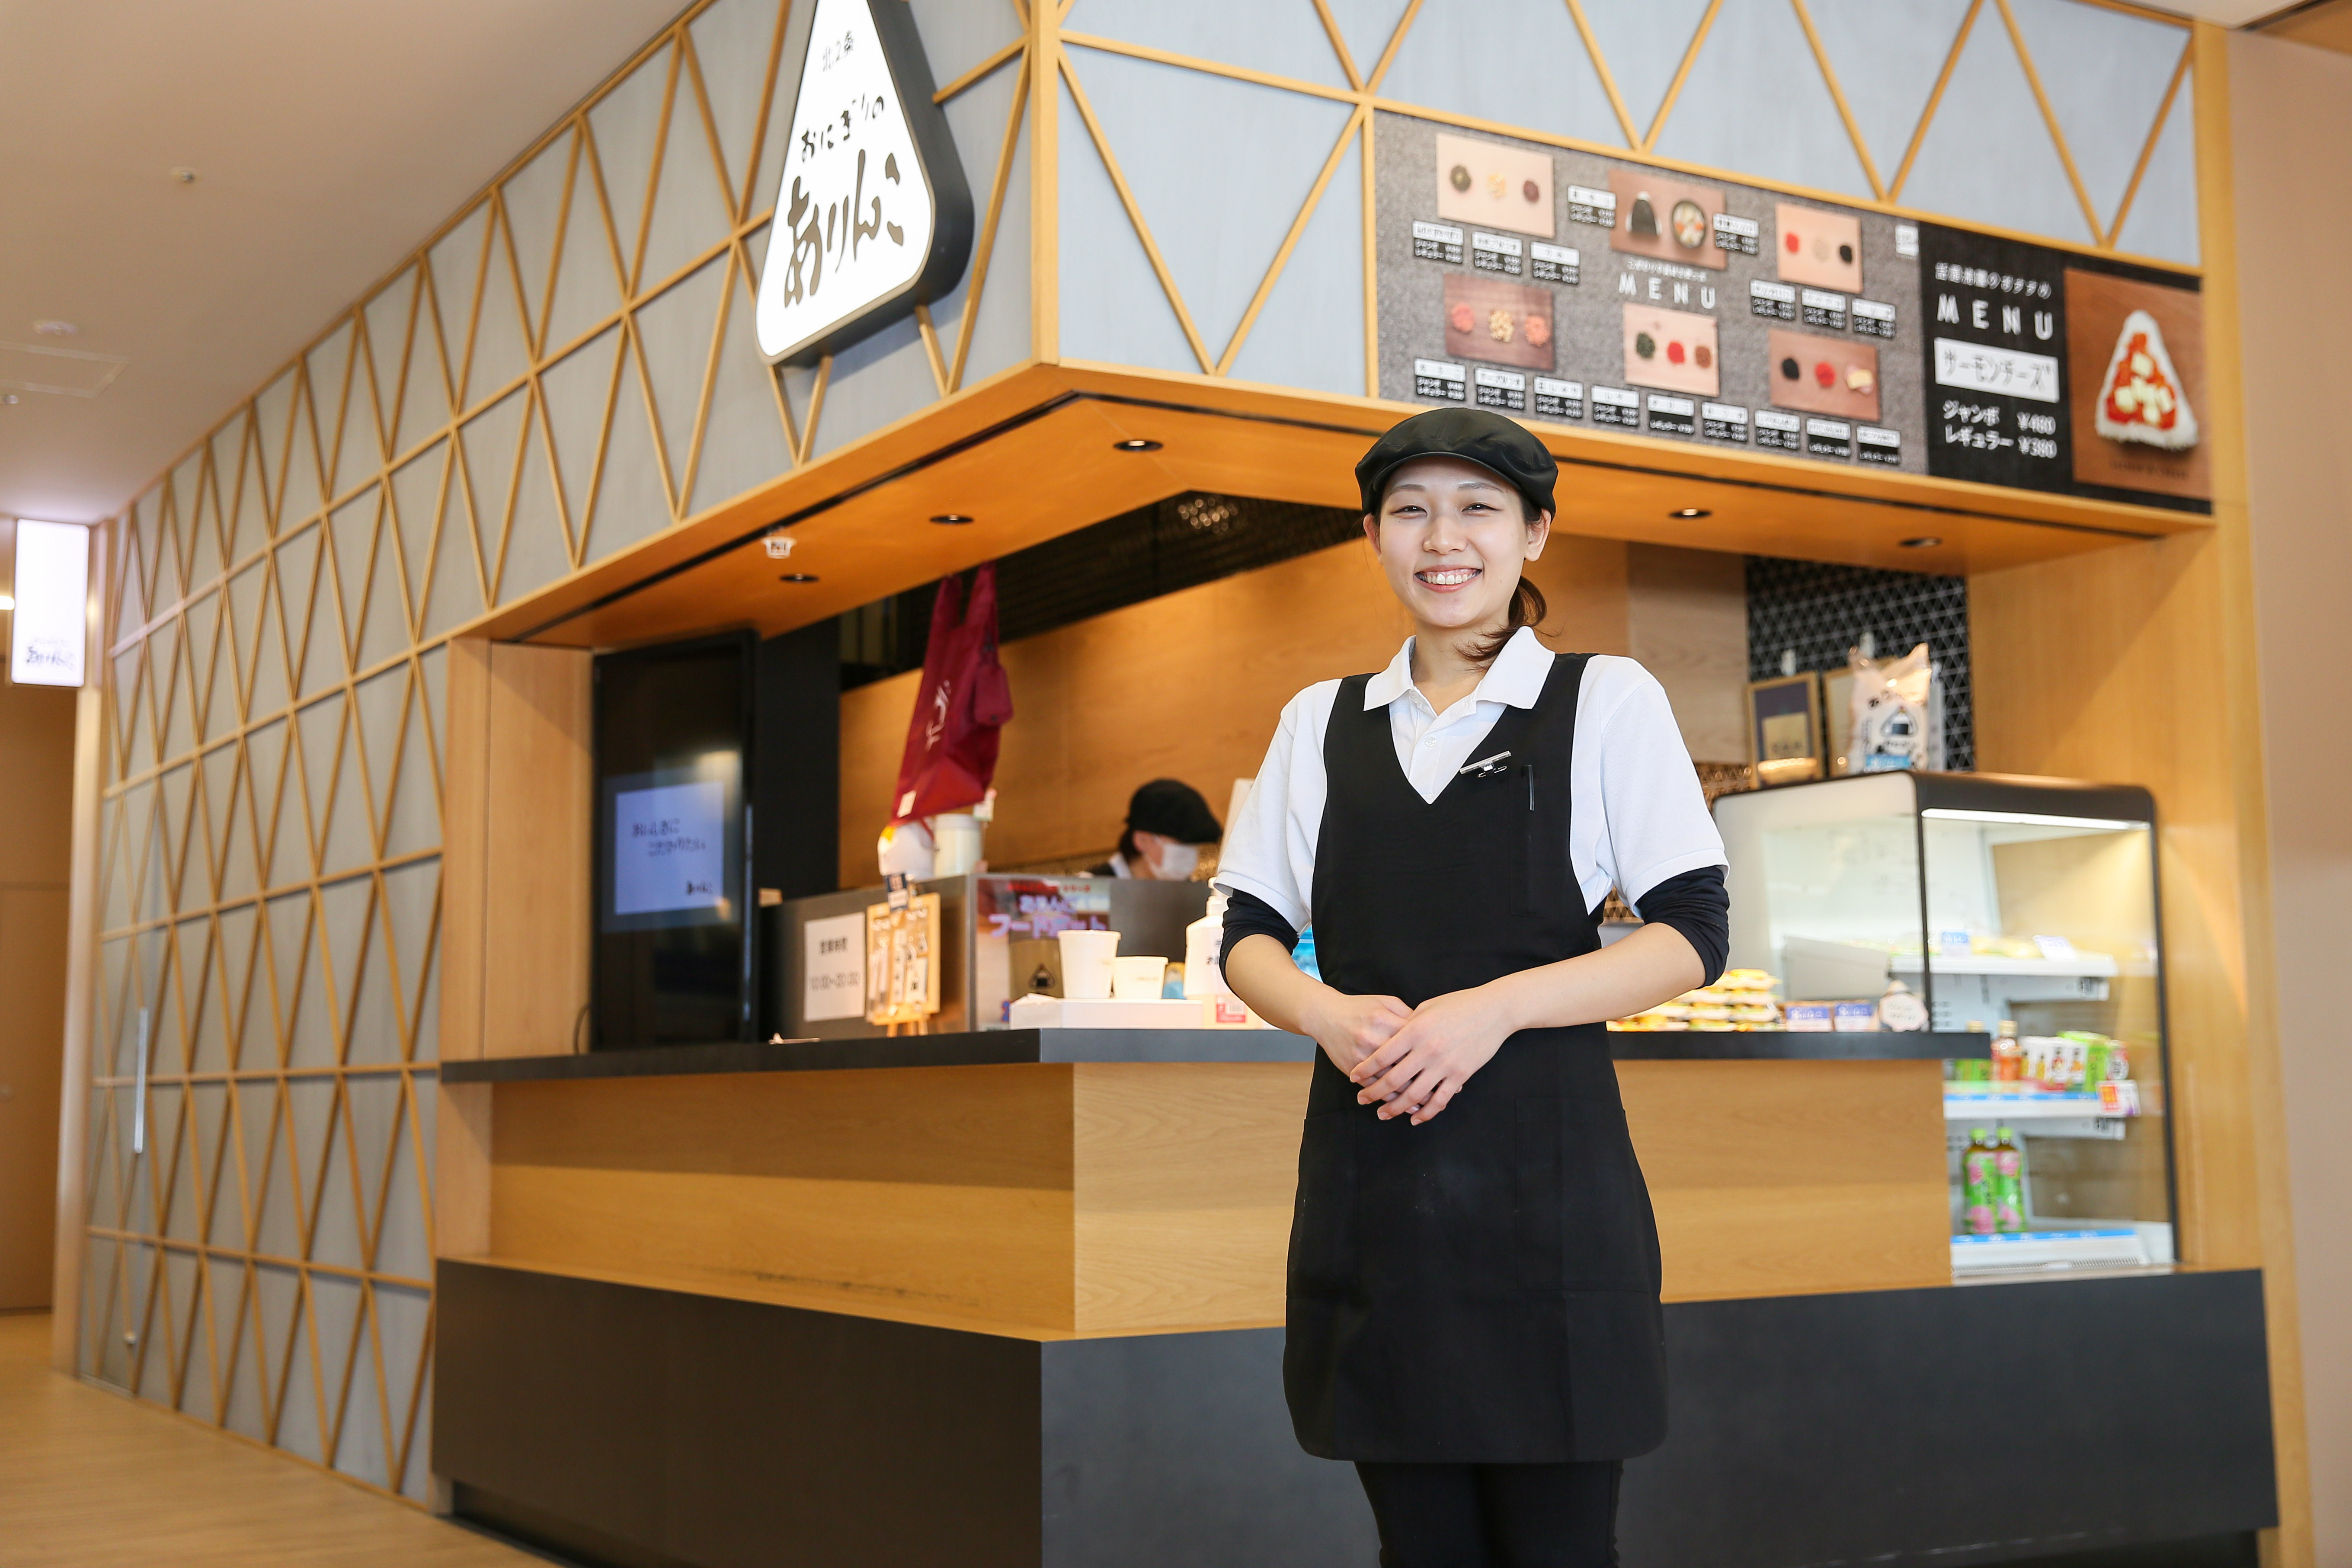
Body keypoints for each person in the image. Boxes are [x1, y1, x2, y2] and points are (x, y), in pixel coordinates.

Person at [1213, 407, 1729, 1567]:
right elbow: (1247, 935)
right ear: (1373, 537)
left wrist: (1491, 1009)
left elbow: (1691, 935)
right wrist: (1324, 1013)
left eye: (1477, 509)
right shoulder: (1319, 723)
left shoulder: (1606, 700)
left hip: (1550, 1215)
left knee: (1560, 1550)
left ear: (1534, 532)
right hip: (1378, 1209)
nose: (1441, 539)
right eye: (1409, 512)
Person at [1090, 778, 1222, 880]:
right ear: (1142, 840)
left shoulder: (1189, 894)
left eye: (1193, 846)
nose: (1189, 853)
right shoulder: (1088, 891)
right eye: (1180, 843)